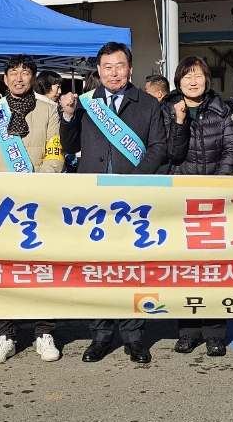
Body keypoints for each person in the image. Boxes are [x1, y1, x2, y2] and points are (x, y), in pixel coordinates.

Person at [59, 42, 166, 364]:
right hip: (93, 200)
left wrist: (134, 180)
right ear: (99, 70)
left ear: (130, 69)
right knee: (99, 269)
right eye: (107, 66)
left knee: (132, 268)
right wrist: (66, 115)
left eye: (119, 66)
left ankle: (134, 337)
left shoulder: (147, 103)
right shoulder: (87, 103)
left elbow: (158, 147)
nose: (113, 72)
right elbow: (71, 144)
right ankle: (100, 335)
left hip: (133, 200)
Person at [0, 55, 64, 364]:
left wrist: (37, 184)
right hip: (3, 203)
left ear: (34, 78)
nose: (19, 78)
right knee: (3, 268)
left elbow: (55, 153)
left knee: (41, 267)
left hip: (38, 199)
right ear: (5, 79)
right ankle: (4, 335)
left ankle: (43, 332)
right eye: (13, 73)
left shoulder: (49, 110)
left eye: (25, 73)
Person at [161, 57, 233, 358]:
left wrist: (218, 184)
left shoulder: (222, 111)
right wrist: (180, 122)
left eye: (199, 76)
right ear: (178, 81)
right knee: (185, 268)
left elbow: (232, 149)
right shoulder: (167, 110)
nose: (193, 81)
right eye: (187, 76)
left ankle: (215, 333)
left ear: (207, 80)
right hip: (181, 200)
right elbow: (171, 153)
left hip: (215, 199)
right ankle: (188, 332)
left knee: (214, 268)